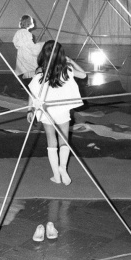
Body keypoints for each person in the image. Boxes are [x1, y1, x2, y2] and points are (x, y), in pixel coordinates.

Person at [27, 40, 87, 186]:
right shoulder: (67, 71)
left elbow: (32, 94)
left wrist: (30, 109)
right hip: (62, 110)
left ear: (44, 55)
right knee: (64, 140)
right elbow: (84, 75)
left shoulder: (39, 74)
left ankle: (56, 175)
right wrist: (70, 61)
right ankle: (63, 168)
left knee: (51, 141)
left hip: (47, 111)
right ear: (61, 55)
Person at [13, 14, 44, 82]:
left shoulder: (18, 32)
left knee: (24, 68)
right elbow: (30, 46)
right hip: (28, 53)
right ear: (28, 23)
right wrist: (41, 45)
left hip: (21, 53)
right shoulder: (27, 34)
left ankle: (24, 82)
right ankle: (32, 82)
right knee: (33, 66)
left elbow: (15, 43)